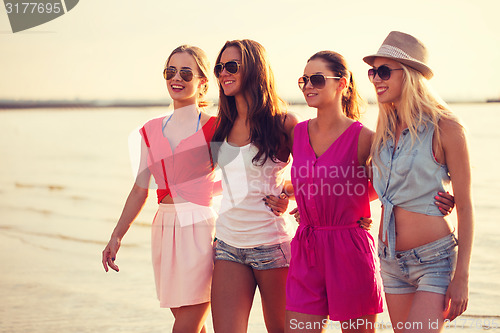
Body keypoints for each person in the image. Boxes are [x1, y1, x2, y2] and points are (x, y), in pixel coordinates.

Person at [102, 45, 218, 333]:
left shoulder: (217, 128)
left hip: (202, 230)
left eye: (186, 73)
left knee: (185, 328)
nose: (176, 78)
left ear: (202, 83)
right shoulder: (149, 130)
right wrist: (116, 236)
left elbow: (238, 183)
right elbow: (140, 189)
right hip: (164, 230)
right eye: (171, 71)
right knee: (190, 325)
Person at [364, 31, 474, 332]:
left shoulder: (446, 128)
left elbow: (465, 205)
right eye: (373, 72)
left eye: (384, 72)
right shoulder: (384, 130)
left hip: (433, 260)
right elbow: (377, 188)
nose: (375, 79)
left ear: (410, 75)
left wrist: (462, 276)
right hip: (389, 261)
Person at [285, 51, 383, 333]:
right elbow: (309, 179)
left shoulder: (364, 137)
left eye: (317, 79)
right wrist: (300, 200)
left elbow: (387, 186)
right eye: (304, 80)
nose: (308, 86)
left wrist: (350, 208)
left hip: (349, 250)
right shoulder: (297, 133)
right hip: (307, 248)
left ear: (342, 84)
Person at [210, 39, 298, 333]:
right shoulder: (221, 124)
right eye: (219, 67)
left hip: (271, 245)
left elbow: (316, 175)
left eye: (231, 66)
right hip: (227, 245)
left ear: (255, 70)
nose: (223, 73)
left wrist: (287, 195)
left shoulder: (283, 123)